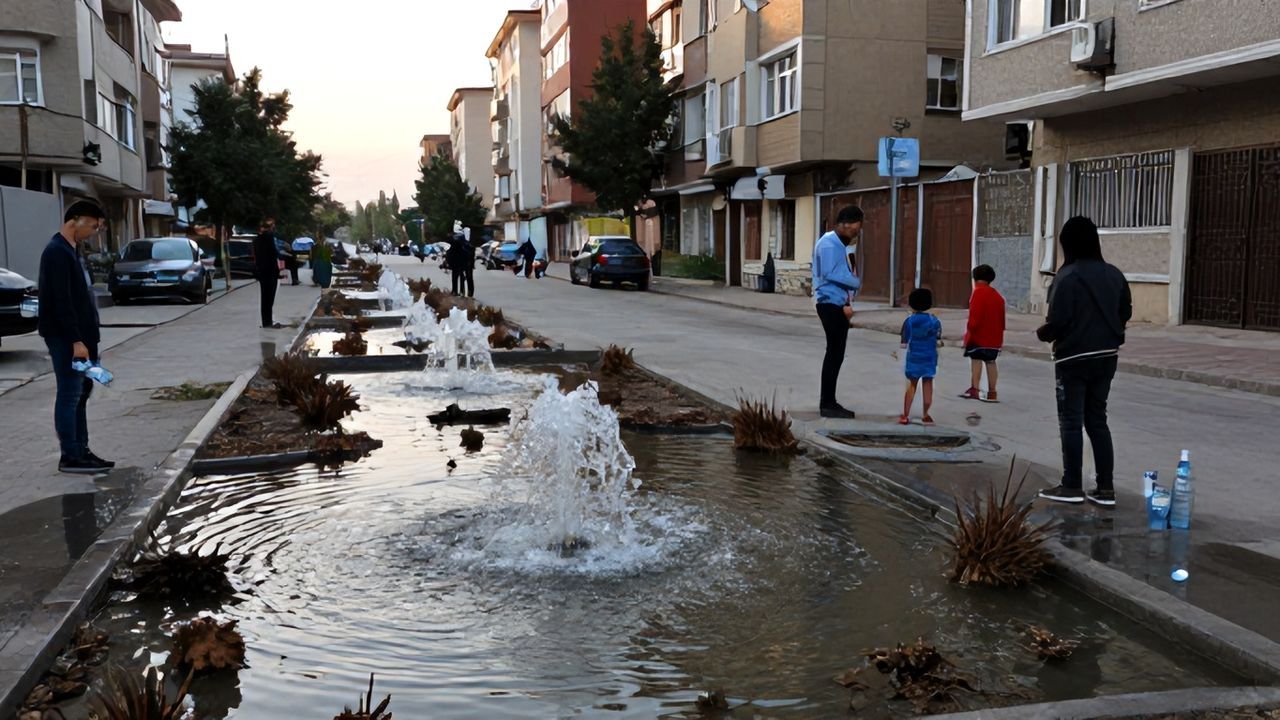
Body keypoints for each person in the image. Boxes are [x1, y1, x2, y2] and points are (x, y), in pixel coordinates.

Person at [1036, 216, 1132, 507]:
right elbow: (1124, 312)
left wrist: (1044, 333)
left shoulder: (1066, 276)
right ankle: (1105, 488)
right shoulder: (1115, 274)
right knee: (1097, 420)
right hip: (1106, 357)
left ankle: (1072, 485)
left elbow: (1059, 320)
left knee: (1071, 421)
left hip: (1073, 358)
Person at [38, 200, 113, 474]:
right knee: (70, 394)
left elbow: (82, 297)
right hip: (68, 339)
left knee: (82, 393)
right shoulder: (56, 252)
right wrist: (76, 341)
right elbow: (61, 301)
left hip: (84, 337)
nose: (94, 231)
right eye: (93, 226)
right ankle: (70, 455)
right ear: (76, 219)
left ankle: (82, 450)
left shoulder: (74, 251)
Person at [811, 205, 863, 418]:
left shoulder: (836, 244)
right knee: (834, 354)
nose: (856, 233)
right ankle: (828, 403)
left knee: (836, 354)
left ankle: (829, 401)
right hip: (829, 304)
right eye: (855, 229)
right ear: (846, 224)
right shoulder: (830, 244)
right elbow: (830, 273)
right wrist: (855, 282)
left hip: (835, 304)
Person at [960, 264, 1006, 403]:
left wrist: (968, 335)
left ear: (974, 278)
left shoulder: (977, 293)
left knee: (976, 361)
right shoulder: (998, 296)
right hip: (994, 337)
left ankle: (975, 388)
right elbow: (1002, 320)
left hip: (979, 336)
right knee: (991, 362)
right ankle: (992, 392)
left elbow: (975, 318)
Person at [899, 288, 942, 426]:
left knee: (911, 385)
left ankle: (905, 415)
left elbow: (904, 343)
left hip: (914, 358)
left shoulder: (909, 321)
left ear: (911, 304)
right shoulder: (935, 321)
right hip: (930, 358)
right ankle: (926, 414)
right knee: (928, 384)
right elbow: (939, 337)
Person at [253, 218, 284, 328]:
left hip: (261, 270)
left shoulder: (256, 239)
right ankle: (268, 322)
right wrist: (282, 255)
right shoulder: (270, 237)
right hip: (270, 270)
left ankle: (266, 322)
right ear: (270, 227)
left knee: (264, 297)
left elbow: (256, 255)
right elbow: (274, 252)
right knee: (270, 297)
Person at [447, 232, 475, 297]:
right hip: (464, 264)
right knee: (468, 278)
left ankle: (455, 291)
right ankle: (468, 293)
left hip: (459, 264)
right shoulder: (468, 246)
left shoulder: (453, 246)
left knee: (456, 277)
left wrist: (449, 264)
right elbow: (470, 257)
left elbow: (449, 256)